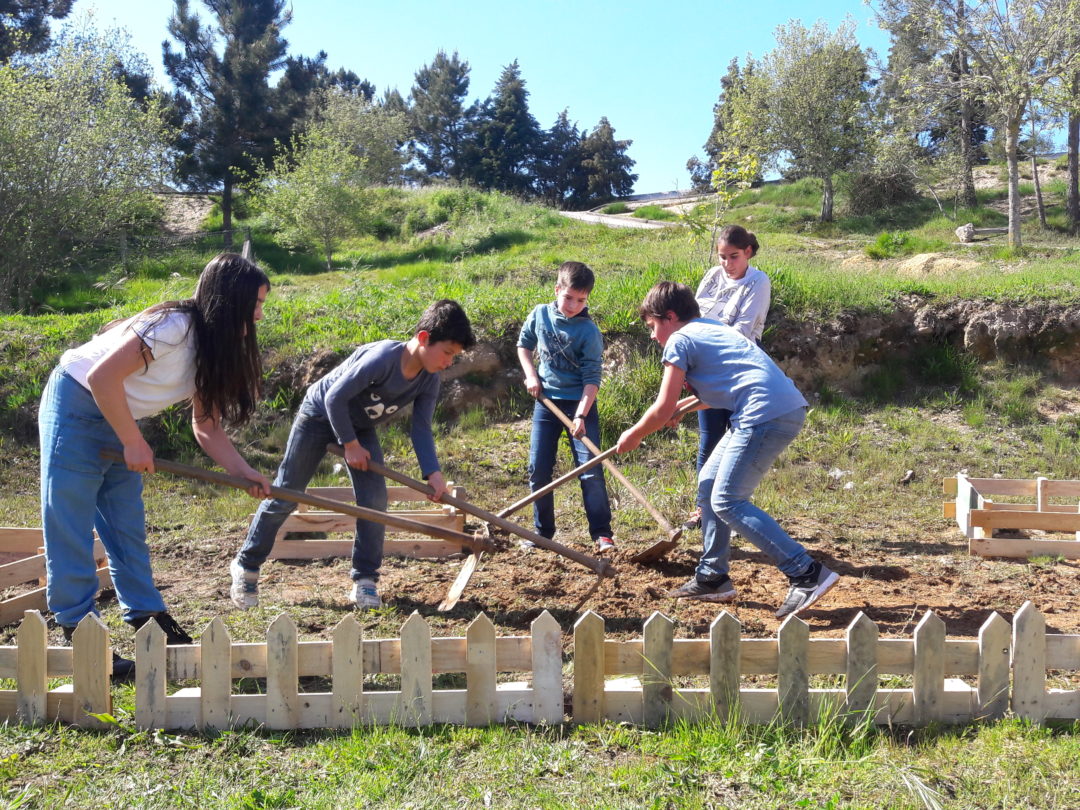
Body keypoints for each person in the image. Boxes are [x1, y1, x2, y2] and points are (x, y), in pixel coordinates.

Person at [39, 253, 272, 676]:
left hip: (118, 414)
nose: (258, 314)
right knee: (69, 521)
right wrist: (133, 440)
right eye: (254, 303)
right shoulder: (175, 327)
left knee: (125, 524)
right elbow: (100, 378)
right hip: (76, 404)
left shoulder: (217, 347)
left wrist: (243, 471)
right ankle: (78, 628)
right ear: (230, 299)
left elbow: (206, 427)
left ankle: (147, 619)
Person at [232, 299, 475, 610]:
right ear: (424, 338)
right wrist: (349, 444)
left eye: (454, 357)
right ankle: (247, 565)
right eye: (447, 353)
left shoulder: (428, 379)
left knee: (374, 502)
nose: (448, 362)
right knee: (286, 493)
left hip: (359, 426)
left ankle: (365, 580)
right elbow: (334, 397)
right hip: (319, 416)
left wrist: (434, 474)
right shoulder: (382, 359)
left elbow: (421, 429)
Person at [616, 282, 838, 618]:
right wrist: (685, 409)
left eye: (652, 327)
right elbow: (725, 385)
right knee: (708, 485)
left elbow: (662, 407)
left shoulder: (680, 339)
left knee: (727, 500)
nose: (652, 336)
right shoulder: (712, 328)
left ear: (670, 317)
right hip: (775, 407)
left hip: (763, 415)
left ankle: (806, 573)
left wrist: (634, 434)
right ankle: (712, 577)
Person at [517, 261, 615, 553]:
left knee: (590, 469)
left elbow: (592, 379)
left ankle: (602, 534)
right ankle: (542, 533)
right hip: (546, 402)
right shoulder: (539, 314)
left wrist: (582, 415)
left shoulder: (588, 331)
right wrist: (531, 375)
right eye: (569, 297)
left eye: (581, 300)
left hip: (579, 404)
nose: (573, 305)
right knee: (538, 470)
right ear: (557, 289)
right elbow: (524, 345)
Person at [685, 225, 771, 530]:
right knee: (709, 436)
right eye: (722, 257)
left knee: (735, 436)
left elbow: (743, 330)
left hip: (738, 365)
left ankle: (729, 503)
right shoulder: (712, 275)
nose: (726, 263)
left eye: (733, 256)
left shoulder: (758, 281)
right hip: (705, 364)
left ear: (747, 252)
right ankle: (702, 508)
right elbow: (693, 315)